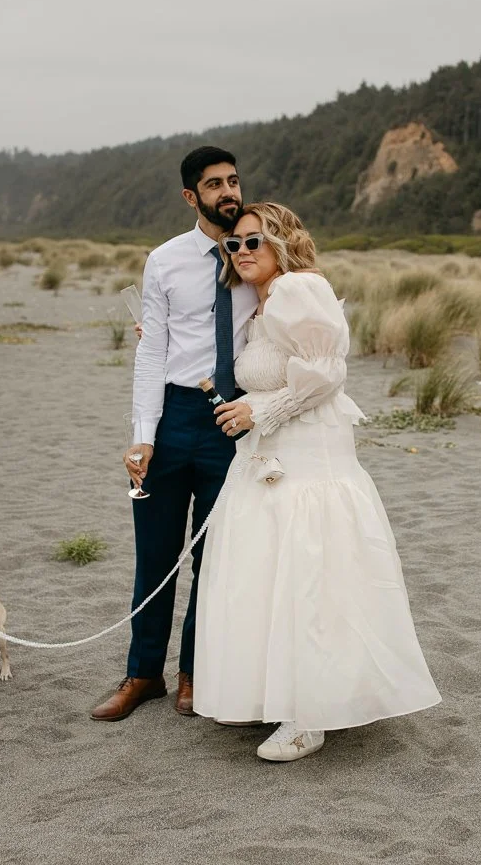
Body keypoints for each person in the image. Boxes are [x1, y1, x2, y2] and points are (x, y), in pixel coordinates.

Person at [194, 202, 441, 761]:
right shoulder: (256, 306)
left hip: (308, 460)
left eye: (256, 240)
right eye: (234, 245)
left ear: (283, 241)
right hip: (271, 460)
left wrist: (263, 412)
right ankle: (281, 695)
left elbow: (329, 371)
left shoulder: (298, 289)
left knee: (308, 575)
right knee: (269, 575)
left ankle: (309, 715)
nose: (244, 252)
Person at [90, 145, 258, 722]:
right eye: (215, 185)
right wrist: (143, 434)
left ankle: (193, 674)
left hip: (232, 422)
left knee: (216, 561)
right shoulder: (164, 261)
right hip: (174, 416)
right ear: (192, 197)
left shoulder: (259, 254)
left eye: (233, 181)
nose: (228, 192)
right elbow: (151, 351)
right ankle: (143, 676)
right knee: (156, 556)